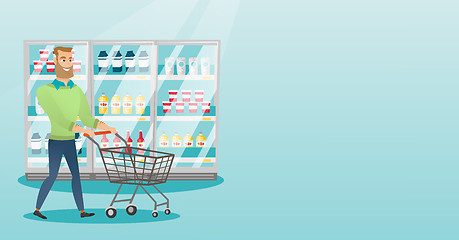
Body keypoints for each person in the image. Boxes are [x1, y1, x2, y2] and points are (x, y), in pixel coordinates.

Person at [33, 46, 117, 219]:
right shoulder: (44, 91)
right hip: (56, 141)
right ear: (55, 61)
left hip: (70, 141)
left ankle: (82, 211)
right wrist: (83, 130)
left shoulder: (77, 90)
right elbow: (59, 119)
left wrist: (106, 127)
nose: (67, 63)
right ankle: (38, 209)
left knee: (76, 176)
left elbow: (87, 118)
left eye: (70, 59)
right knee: (52, 176)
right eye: (63, 59)